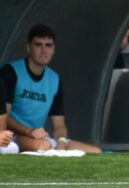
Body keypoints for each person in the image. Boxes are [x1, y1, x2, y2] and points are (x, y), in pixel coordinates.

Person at [0, 25, 102, 153]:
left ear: (54, 50)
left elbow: (60, 126)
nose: (44, 50)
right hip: (15, 136)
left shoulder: (54, 79)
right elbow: (4, 118)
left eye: (48, 45)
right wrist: (29, 131)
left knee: (96, 151)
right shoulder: (10, 72)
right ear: (28, 47)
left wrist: (62, 141)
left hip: (41, 137)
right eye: (38, 45)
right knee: (43, 146)